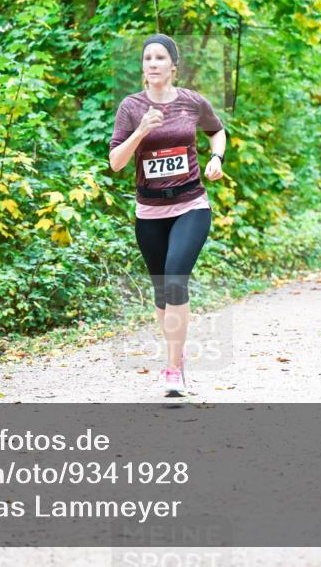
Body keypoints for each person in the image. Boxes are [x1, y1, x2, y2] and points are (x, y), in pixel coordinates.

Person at [109, 34, 226, 397]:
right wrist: (142, 129)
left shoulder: (192, 102)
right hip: (149, 210)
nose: (153, 63)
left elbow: (217, 131)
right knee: (162, 291)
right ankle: (177, 355)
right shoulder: (130, 107)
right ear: (142, 66)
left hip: (191, 204)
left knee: (176, 277)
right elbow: (116, 164)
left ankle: (173, 368)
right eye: (148, 58)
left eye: (161, 57)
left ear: (173, 65)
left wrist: (215, 158)